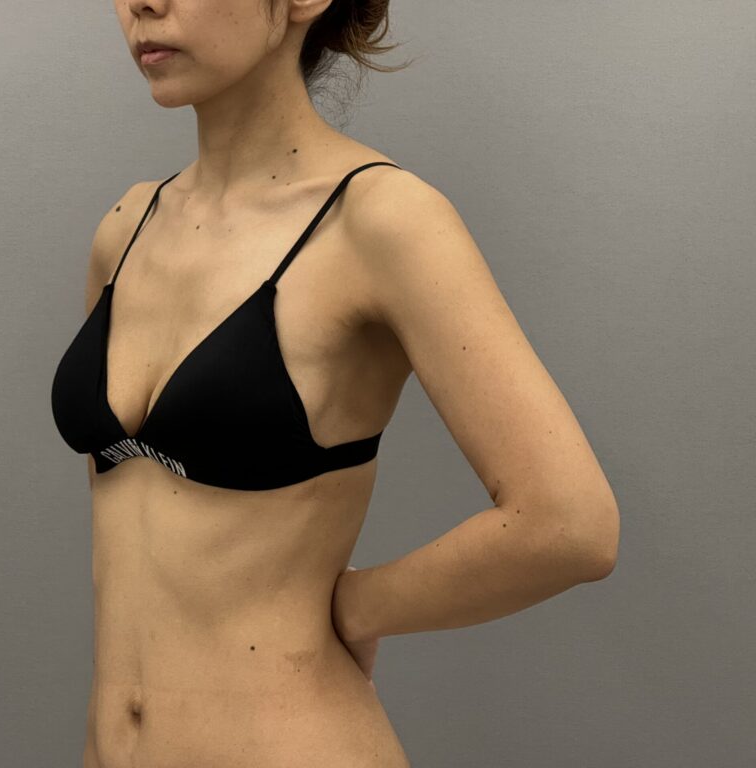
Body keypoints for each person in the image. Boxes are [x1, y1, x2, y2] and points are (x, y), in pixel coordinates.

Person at [51, 1, 620, 766]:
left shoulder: (380, 222)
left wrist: (356, 607)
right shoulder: (126, 228)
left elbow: (570, 525)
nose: (143, 4)